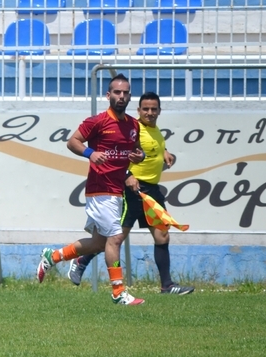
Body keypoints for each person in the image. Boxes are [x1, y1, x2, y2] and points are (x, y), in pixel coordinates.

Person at [67, 92, 195, 295]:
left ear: (159, 111)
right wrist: (127, 175)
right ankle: (81, 261)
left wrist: (164, 151)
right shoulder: (133, 128)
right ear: (138, 110)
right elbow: (118, 155)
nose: (150, 113)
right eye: (146, 109)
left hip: (151, 191)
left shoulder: (154, 130)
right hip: (132, 190)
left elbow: (147, 148)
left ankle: (167, 285)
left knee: (162, 235)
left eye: (154, 109)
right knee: (113, 239)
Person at [36, 73, 146, 306]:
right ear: (108, 95)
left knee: (98, 244)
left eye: (125, 93)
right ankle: (118, 292)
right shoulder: (97, 121)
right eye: (117, 92)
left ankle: (52, 256)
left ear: (130, 96)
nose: (121, 96)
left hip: (116, 190)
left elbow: (136, 151)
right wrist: (90, 153)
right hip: (100, 188)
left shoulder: (133, 125)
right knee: (115, 238)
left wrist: (140, 156)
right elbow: (72, 141)